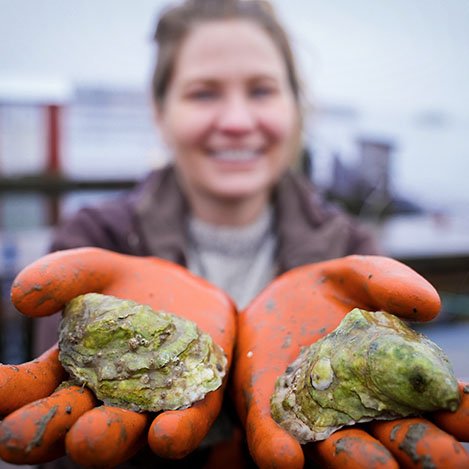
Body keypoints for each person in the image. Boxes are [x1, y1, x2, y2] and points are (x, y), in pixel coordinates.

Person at [10, 0, 467, 468]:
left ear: (296, 105)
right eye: (203, 93)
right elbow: (68, 431)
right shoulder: (92, 238)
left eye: (262, 91)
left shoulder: (351, 257)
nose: (236, 121)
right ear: (160, 110)